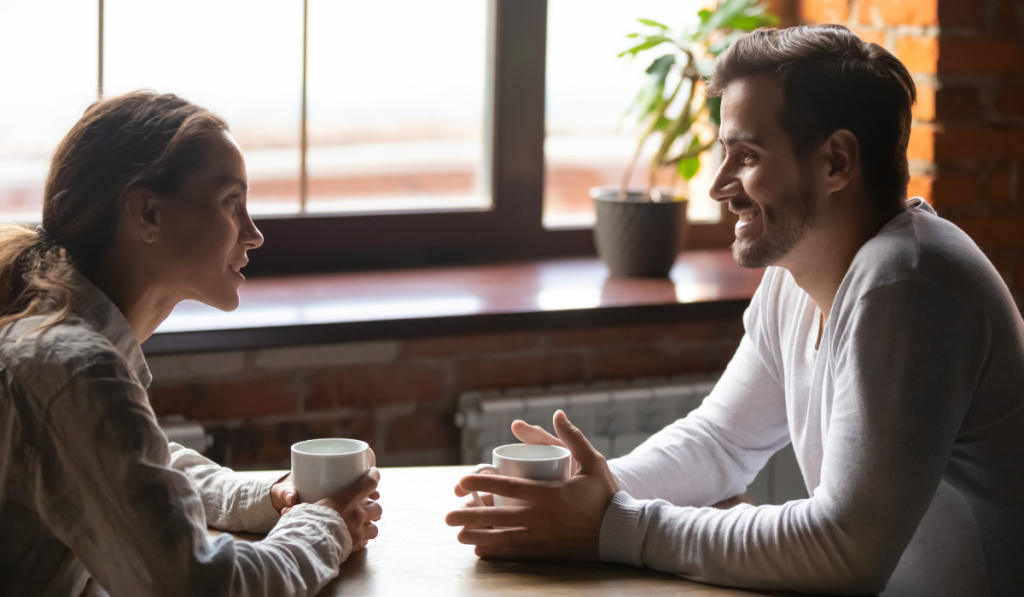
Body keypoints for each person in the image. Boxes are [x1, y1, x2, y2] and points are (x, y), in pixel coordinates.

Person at [446, 25, 1024, 596]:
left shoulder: (907, 282)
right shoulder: (796, 275)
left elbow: (846, 550)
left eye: (745, 156)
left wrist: (609, 524)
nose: (720, 185)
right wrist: (584, 490)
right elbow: (721, 441)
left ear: (836, 162)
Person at [0, 92, 382, 597]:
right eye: (231, 202)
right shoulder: (74, 366)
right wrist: (325, 526)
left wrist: (271, 498)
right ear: (147, 214)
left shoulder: (60, 341)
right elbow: (200, 585)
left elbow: (128, 468)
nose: (253, 234)